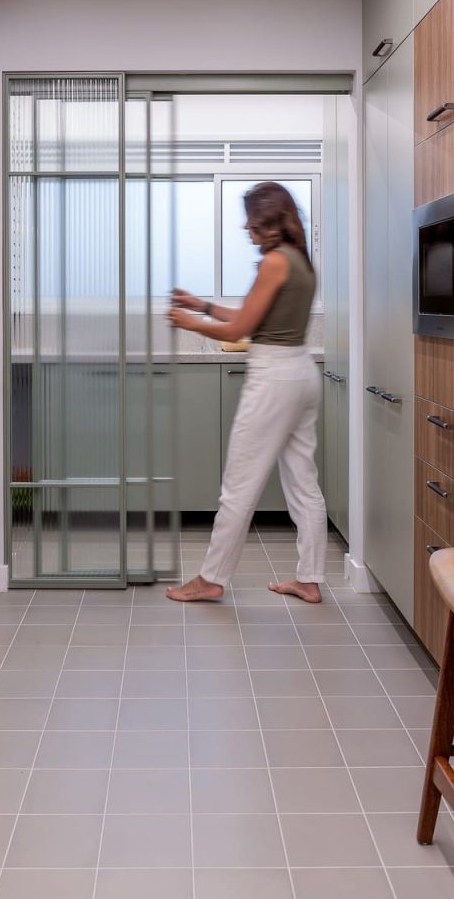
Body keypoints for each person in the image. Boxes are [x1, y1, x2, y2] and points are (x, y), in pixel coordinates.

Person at [165, 181, 328, 604]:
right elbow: (251, 316)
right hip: (301, 373)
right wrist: (201, 305)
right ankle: (309, 579)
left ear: (270, 222)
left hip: (273, 377)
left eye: (252, 222)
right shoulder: (301, 263)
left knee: (239, 484)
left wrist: (189, 323)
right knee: (304, 481)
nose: (246, 228)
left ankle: (211, 578)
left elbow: (239, 329)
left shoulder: (274, 262)